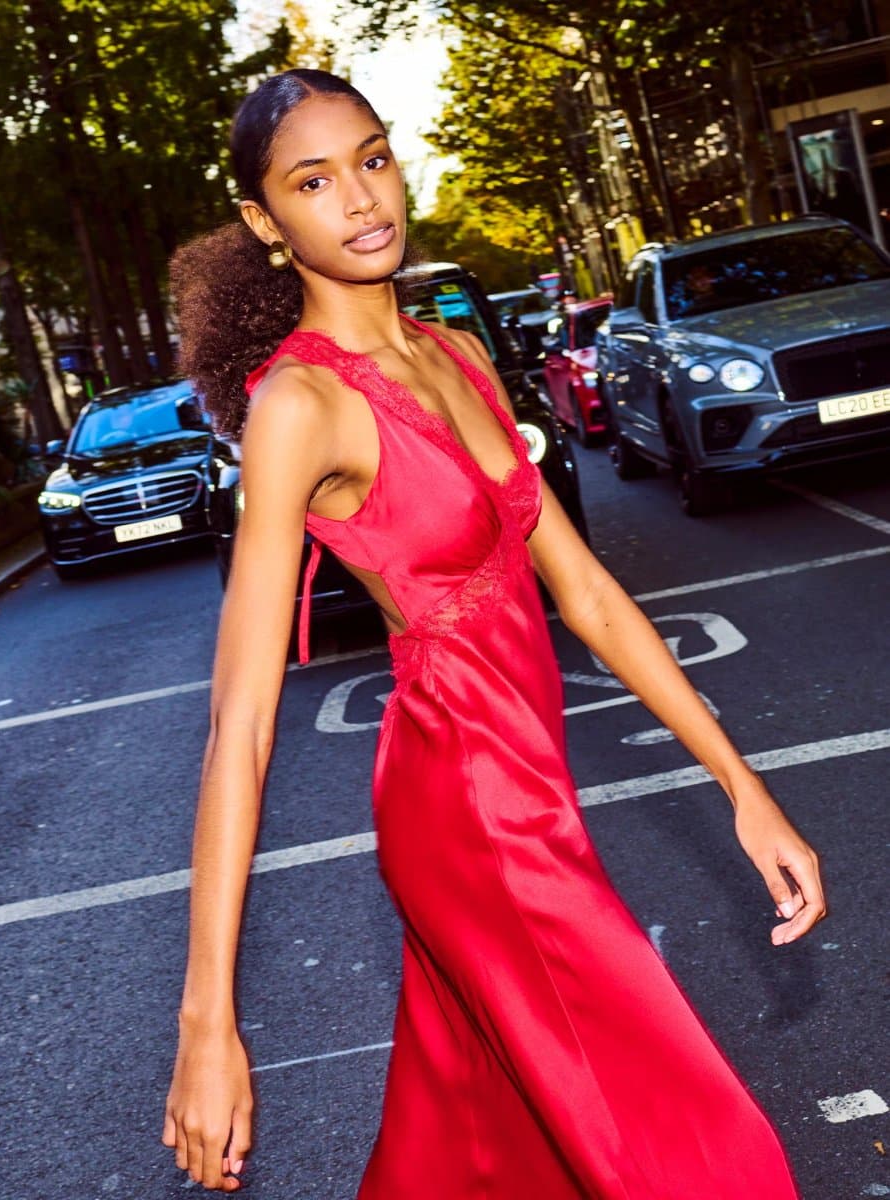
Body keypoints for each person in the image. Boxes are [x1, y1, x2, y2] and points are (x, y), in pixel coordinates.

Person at [161, 68, 826, 1196]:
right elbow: (242, 720)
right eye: (312, 183)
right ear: (265, 224)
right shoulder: (298, 407)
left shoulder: (455, 356)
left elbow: (587, 593)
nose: (359, 198)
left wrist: (741, 785)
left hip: (531, 778)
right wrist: (206, 1021)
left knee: (482, 1147)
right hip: (469, 813)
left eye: (373, 159)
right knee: (675, 1134)